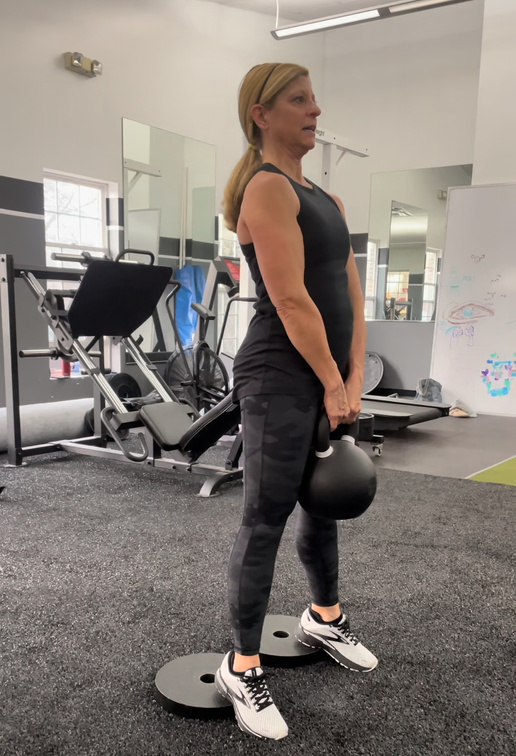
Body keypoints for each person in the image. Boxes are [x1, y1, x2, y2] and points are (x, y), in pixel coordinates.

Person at [214, 62, 377, 741]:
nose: (316, 110)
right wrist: (332, 383)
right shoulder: (266, 188)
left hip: (326, 374)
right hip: (279, 375)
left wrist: (355, 374)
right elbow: (289, 298)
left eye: (314, 98)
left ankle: (324, 617)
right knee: (266, 515)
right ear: (262, 113)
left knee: (324, 502)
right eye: (299, 100)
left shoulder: (328, 200)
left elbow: (351, 294)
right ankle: (241, 665)